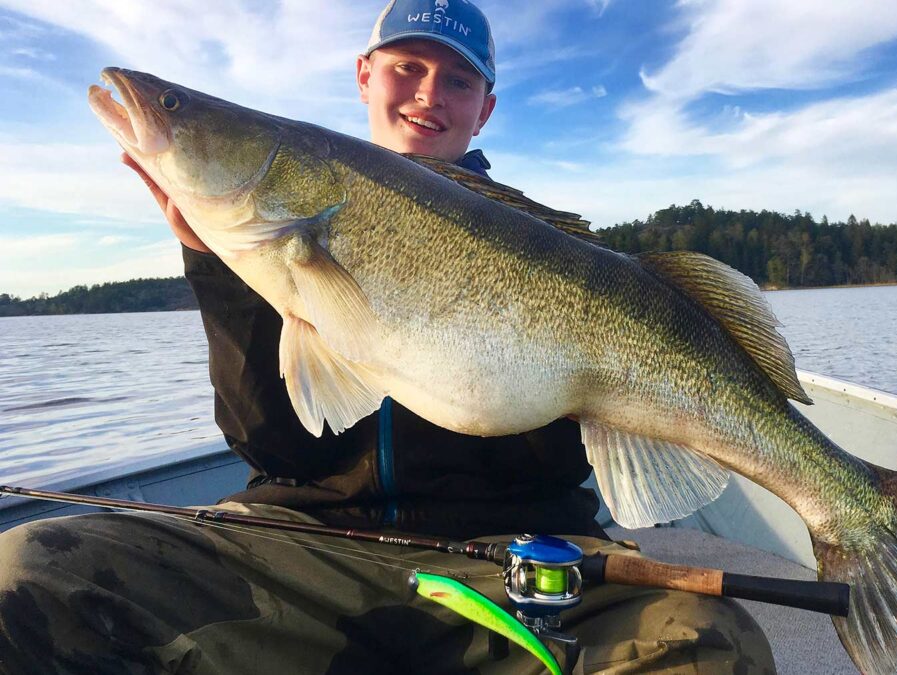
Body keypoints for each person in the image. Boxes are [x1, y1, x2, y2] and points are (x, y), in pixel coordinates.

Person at [0, 1, 776, 673]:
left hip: (507, 564)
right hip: (301, 549)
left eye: (458, 79)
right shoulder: (274, 231)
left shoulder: (545, 245)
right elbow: (279, 446)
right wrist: (211, 263)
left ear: (486, 108)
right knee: (27, 572)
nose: (428, 94)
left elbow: (547, 466)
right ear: (365, 76)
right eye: (407, 68)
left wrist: (583, 388)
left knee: (711, 645)